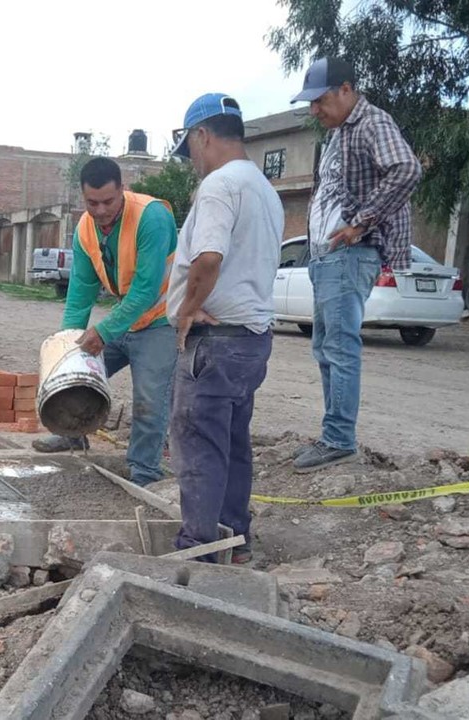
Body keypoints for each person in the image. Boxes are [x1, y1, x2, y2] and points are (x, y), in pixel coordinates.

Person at [289, 57, 423, 473]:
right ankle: (334, 435)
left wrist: (361, 222)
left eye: (321, 100)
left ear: (346, 89)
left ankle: (338, 439)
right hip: (330, 257)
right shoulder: (341, 132)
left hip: (350, 255)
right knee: (326, 347)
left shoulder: (371, 123)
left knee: (340, 347)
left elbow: (406, 168)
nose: (315, 110)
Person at [165, 93, 283, 560]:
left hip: (215, 341)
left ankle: (200, 550)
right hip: (252, 340)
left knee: (197, 444)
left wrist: (189, 307)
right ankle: (235, 540)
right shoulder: (265, 190)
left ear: (203, 135)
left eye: (191, 147)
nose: (193, 159)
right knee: (233, 444)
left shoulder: (219, 186)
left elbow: (208, 256)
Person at [32, 157, 179, 489]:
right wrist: (68, 344)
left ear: (123, 190)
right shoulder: (85, 227)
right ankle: (72, 435)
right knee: (74, 376)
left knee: (149, 399)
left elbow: (145, 289)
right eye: (91, 202)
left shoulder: (151, 217)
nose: (99, 210)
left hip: (159, 320)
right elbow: (81, 291)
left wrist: (105, 331)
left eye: (108, 201)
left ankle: (144, 471)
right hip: (122, 319)